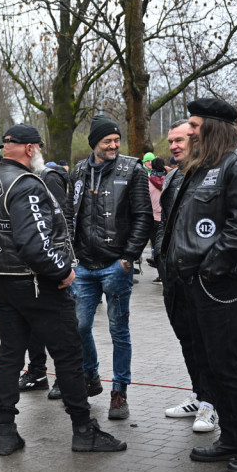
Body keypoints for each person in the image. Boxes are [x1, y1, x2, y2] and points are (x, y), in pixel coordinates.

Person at [0, 124, 126, 455]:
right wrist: (62, 271)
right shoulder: (25, 183)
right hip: (36, 283)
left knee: (9, 357)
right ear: (31, 149)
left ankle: (6, 432)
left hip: (3, 282)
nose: (40, 152)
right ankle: (83, 430)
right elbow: (34, 241)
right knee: (69, 354)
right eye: (39, 147)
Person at [163, 98, 237, 472]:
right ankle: (233, 435)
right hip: (196, 282)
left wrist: (211, 268)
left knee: (230, 365)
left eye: (195, 125)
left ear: (213, 127)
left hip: (223, 282)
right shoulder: (205, 165)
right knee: (212, 364)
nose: (190, 132)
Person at [68, 115, 152, 420]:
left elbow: (143, 216)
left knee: (119, 330)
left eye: (117, 140)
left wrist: (127, 258)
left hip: (116, 265)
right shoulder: (79, 171)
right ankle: (90, 376)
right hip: (83, 267)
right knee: (79, 326)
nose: (114, 145)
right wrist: (70, 256)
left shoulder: (133, 170)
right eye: (107, 141)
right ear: (95, 143)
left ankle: (120, 392)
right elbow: (68, 214)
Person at [160, 120, 219, 433]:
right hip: (173, 276)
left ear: (195, 140)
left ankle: (211, 403)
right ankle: (199, 395)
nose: (173, 146)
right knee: (187, 339)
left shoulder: (210, 175)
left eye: (179, 140)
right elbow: (164, 223)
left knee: (205, 341)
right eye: (171, 141)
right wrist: (162, 258)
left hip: (200, 276)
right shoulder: (173, 177)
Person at [19, 159, 71, 395]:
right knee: (32, 325)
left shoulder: (48, 178)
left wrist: (60, 265)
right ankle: (37, 372)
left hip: (51, 264)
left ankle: (63, 378)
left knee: (58, 326)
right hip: (29, 267)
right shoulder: (19, 179)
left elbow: (61, 223)